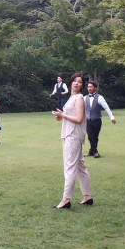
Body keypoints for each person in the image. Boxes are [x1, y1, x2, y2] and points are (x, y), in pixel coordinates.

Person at [51, 73, 93, 209]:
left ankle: (66, 199)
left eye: (79, 82)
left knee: (69, 167)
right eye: (74, 81)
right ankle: (87, 196)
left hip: (73, 135)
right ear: (70, 83)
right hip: (70, 133)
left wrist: (63, 115)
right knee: (80, 166)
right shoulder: (72, 97)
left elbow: (79, 119)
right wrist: (62, 117)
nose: (76, 83)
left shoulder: (79, 98)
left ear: (82, 85)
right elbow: (71, 116)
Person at [84, 81, 116, 158]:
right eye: (88, 87)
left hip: (97, 121)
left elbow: (106, 107)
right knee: (90, 136)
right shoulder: (84, 98)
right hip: (88, 120)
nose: (89, 88)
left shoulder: (100, 98)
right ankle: (95, 152)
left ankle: (91, 152)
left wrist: (112, 117)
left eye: (91, 87)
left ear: (95, 88)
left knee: (95, 136)